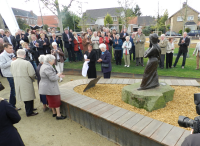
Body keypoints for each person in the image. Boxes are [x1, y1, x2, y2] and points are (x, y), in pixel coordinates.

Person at [11, 49, 38, 117]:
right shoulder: (27, 63)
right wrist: (32, 78)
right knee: (28, 96)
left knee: (25, 95)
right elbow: (32, 74)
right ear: (24, 55)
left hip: (17, 81)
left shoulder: (12, 63)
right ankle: (29, 112)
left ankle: (30, 108)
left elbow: (11, 72)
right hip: (26, 80)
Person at [39, 54, 66, 120]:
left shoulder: (44, 65)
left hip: (47, 86)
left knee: (50, 99)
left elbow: (50, 75)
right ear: (49, 60)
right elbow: (53, 78)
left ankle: (54, 112)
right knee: (56, 99)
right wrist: (58, 75)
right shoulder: (47, 67)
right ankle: (58, 115)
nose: (54, 61)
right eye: (53, 60)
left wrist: (56, 75)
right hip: (50, 87)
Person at [0, 43, 21, 111]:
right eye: (10, 48)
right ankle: (12, 106)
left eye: (12, 48)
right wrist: (12, 61)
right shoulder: (2, 56)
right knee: (13, 90)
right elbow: (2, 66)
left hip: (15, 73)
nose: (12, 49)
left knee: (15, 90)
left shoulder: (11, 53)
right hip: (9, 74)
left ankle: (12, 105)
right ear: (5, 48)